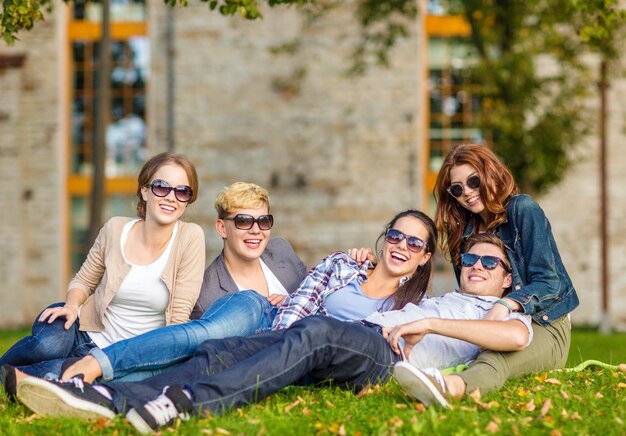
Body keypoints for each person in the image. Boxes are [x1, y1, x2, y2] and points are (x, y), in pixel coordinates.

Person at [14, 235, 532, 434]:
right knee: (224, 346)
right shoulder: (433, 295)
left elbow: (515, 340)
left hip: (380, 352)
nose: (478, 266)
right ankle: (108, 396)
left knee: (318, 334)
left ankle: (188, 403)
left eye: (491, 261)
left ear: (508, 277)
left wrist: (430, 323)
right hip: (359, 336)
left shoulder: (505, 310)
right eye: (471, 258)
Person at [56, 182, 308, 383]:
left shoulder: (280, 251)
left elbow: (318, 292)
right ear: (221, 228)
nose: (256, 230)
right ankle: (84, 371)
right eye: (243, 221)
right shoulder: (207, 293)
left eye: (264, 221)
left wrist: (292, 302)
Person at [0, 152, 206, 392]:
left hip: (116, 358)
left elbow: (180, 317)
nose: (171, 197)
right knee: (47, 345)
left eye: (182, 191)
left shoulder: (190, 237)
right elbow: (85, 279)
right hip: (84, 332)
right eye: (161, 187)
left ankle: (24, 377)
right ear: (145, 191)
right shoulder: (115, 228)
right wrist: (72, 306)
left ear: (188, 200)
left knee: (61, 371)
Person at [430, 142, 578, 403]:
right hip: (488, 321)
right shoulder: (463, 230)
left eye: (474, 181)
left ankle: (451, 389)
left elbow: (550, 282)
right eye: (457, 188)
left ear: (490, 173)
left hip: (543, 323)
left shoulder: (523, 210)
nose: (467, 192)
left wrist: (506, 304)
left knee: (495, 357)